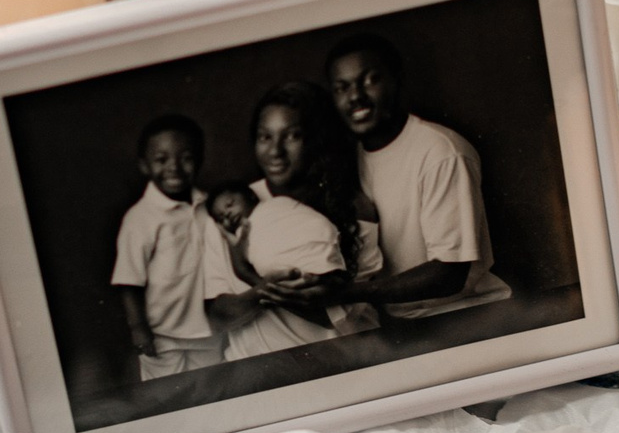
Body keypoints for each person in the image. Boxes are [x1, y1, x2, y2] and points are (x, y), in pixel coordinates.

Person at [325, 31, 510, 320]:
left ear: (396, 80)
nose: (356, 96)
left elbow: (449, 273)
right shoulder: (348, 158)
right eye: (342, 88)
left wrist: (345, 294)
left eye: (370, 80)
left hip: (464, 316)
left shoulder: (441, 151)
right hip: (401, 323)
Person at [207, 83, 363, 360]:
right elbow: (218, 318)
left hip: (329, 366)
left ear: (315, 139)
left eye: (291, 136)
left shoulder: (352, 211)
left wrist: (251, 277)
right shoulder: (228, 212)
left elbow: (343, 321)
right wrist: (264, 289)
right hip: (253, 369)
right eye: (265, 137)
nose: (275, 151)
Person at [110, 115, 227, 381]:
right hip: (162, 333)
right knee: (167, 394)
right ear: (144, 165)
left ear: (199, 161)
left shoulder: (208, 205)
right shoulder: (140, 217)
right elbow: (128, 281)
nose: (174, 167)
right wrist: (138, 328)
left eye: (185, 158)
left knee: (213, 387)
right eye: (161, 160)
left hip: (208, 329)